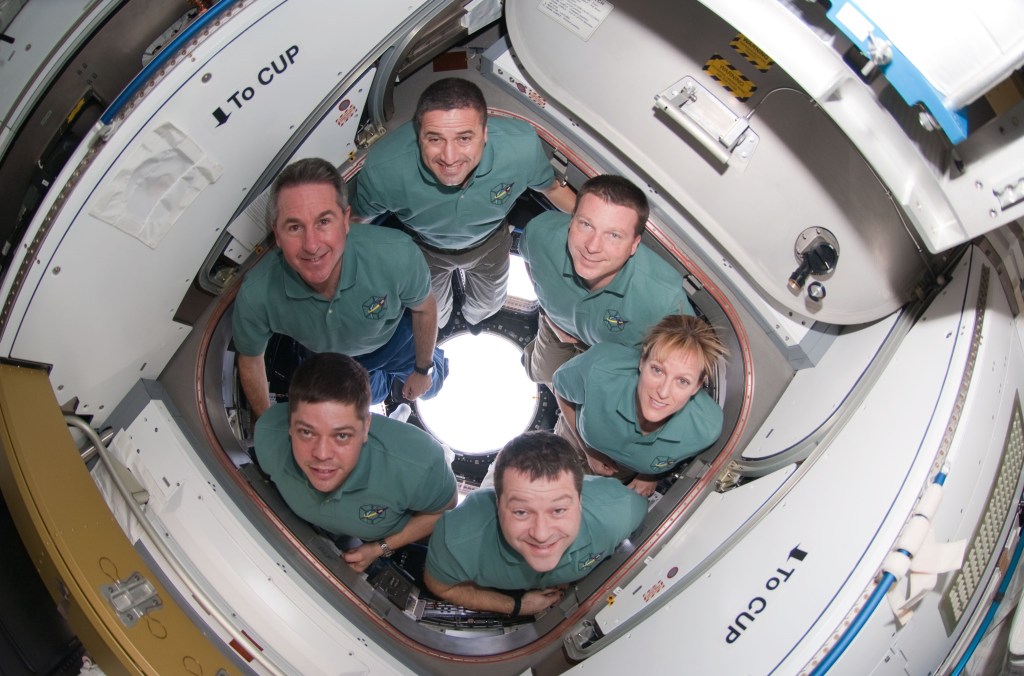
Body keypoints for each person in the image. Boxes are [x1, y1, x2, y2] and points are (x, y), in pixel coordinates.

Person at [352, 77, 576, 330]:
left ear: (485, 133)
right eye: (434, 139)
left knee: (489, 303)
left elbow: (554, 188)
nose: (449, 158)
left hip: (490, 244)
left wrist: (598, 227)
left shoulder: (519, 148)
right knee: (435, 315)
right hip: (426, 251)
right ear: (418, 134)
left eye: (464, 139)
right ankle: (445, 324)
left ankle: (474, 320)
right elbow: (357, 221)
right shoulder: (385, 169)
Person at [233, 157, 446, 418]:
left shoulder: (396, 255)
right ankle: (387, 387)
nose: (311, 245)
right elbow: (250, 357)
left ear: (346, 221)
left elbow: (424, 308)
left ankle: (411, 376)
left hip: (393, 341)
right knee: (366, 397)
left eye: (324, 222)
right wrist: (267, 424)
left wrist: (423, 370)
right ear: (276, 234)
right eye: (295, 226)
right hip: (334, 359)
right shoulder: (257, 295)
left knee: (432, 386)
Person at [254, 353, 457, 573]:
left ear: (365, 426)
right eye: (306, 432)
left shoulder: (422, 465)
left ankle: (403, 418)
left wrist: (380, 548)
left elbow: (443, 509)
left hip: (398, 471)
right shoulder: (268, 437)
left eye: (341, 436)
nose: (321, 454)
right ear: (290, 425)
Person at [424, 431, 647, 615]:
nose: (541, 534)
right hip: (486, 503)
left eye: (558, 510)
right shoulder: (456, 540)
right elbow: (439, 585)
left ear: (579, 502)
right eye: (521, 512)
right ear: (499, 506)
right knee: (496, 477)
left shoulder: (621, 511)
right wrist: (516, 606)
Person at [519, 174, 694, 387]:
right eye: (586, 225)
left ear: (634, 245)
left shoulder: (665, 300)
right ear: (571, 220)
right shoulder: (541, 233)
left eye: (613, 235)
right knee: (542, 373)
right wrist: (550, 317)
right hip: (555, 327)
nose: (592, 246)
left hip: (612, 361)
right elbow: (530, 258)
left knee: (581, 412)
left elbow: (686, 362)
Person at [553, 314, 727, 497]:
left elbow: (670, 458)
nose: (664, 392)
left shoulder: (705, 429)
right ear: (643, 361)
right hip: (572, 441)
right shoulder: (600, 368)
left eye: (682, 381)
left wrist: (650, 475)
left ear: (697, 386)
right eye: (658, 370)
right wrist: (588, 450)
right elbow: (560, 389)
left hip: (619, 474)